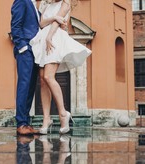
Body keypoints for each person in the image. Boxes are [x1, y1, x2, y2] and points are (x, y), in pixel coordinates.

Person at [30, 0, 91, 134]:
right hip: (43, 38)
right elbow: (41, 23)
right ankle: (46, 119)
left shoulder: (65, 2)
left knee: (48, 76)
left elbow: (57, 23)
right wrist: (53, 17)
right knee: (42, 79)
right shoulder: (46, 5)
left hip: (54, 38)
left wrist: (50, 37)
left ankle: (63, 113)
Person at [11, 0, 41, 135]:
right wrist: (22, 46)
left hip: (34, 51)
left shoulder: (35, 5)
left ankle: (26, 122)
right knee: (24, 84)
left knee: (30, 87)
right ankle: (21, 123)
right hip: (26, 50)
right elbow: (15, 25)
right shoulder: (22, 1)